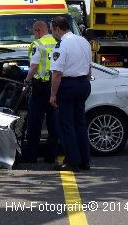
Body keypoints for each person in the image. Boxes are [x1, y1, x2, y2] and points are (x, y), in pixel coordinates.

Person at [49, 16, 92, 172]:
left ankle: (72, 162)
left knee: (66, 125)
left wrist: (53, 95)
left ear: (58, 29)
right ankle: (84, 161)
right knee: (80, 124)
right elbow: (89, 67)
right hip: (83, 83)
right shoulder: (83, 41)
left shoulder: (61, 45)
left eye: (52, 30)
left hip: (68, 86)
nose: (52, 33)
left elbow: (57, 73)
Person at [21, 21, 58, 164]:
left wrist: (26, 80)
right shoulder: (56, 42)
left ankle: (31, 156)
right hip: (54, 86)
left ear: (37, 30)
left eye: (33, 32)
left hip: (40, 87)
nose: (34, 35)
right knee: (53, 124)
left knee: (34, 123)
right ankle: (51, 156)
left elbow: (34, 66)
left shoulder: (38, 45)